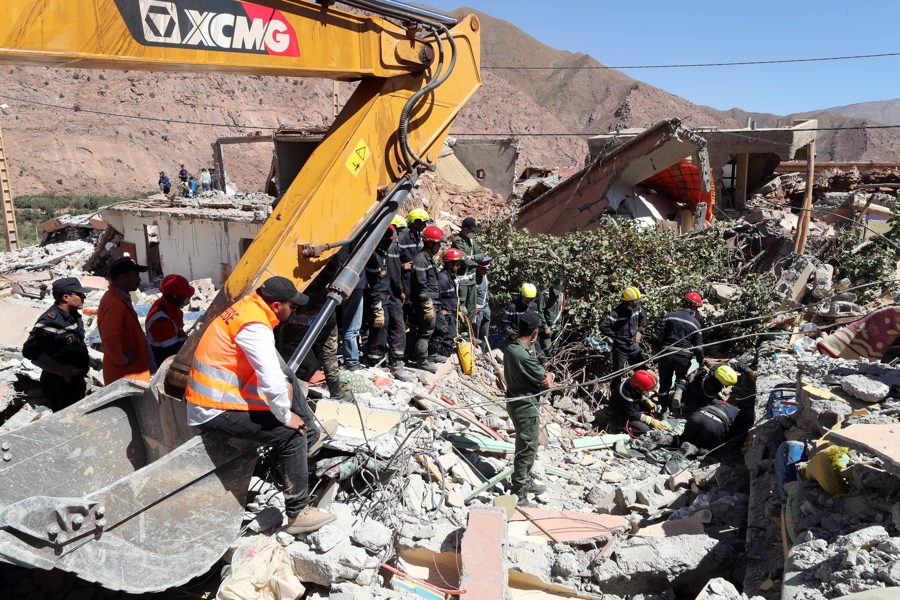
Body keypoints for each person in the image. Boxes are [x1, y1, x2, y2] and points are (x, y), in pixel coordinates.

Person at [184, 276, 336, 534]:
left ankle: (309, 438)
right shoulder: (255, 326)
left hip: (222, 394)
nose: (294, 310)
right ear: (277, 306)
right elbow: (268, 376)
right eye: (293, 306)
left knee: (287, 376)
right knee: (290, 434)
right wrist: (284, 415)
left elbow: (273, 374)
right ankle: (297, 513)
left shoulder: (248, 307)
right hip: (214, 406)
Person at [503, 311, 551, 503]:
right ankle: (519, 489)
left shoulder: (512, 348)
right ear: (535, 332)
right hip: (526, 406)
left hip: (516, 402)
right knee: (527, 448)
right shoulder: (524, 356)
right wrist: (549, 377)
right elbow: (542, 379)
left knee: (526, 445)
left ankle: (523, 478)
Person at [22, 277, 91, 411]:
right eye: (80, 294)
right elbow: (30, 350)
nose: (84, 297)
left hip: (75, 380)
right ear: (66, 297)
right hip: (60, 384)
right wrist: (58, 369)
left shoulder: (74, 316)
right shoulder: (50, 321)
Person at [363, 225, 415, 381]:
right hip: (380, 298)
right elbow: (375, 285)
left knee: (395, 326)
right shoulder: (374, 258)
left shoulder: (383, 254)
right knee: (379, 328)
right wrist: (377, 307)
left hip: (387, 296)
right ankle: (374, 360)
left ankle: (395, 361)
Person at [98, 256, 154, 384]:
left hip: (130, 373)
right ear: (123, 278)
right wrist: (121, 359)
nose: (139, 279)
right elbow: (109, 337)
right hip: (126, 375)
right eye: (136, 275)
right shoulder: (115, 304)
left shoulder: (116, 298)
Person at [651, 291, 704, 413]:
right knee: (681, 376)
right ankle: (679, 390)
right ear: (693, 307)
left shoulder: (669, 316)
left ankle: (663, 410)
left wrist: (655, 348)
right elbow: (699, 347)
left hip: (665, 353)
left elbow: (655, 336)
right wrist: (701, 362)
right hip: (682, 355)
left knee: (664, 383)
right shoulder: (695, 323)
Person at [409, 225, 443, 373]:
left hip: (433, 301)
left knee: (436, 329)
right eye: (438, 244)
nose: (440, 246)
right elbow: (421, 285)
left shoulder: (428, 258)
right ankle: (422, 361)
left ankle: (429, 356)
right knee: (426, 332)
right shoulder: (421, 260)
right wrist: (427, 305)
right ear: (430, 243)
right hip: (426, 303)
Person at [146, 274, 195, 367]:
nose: (188, 299)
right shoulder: (161, 319)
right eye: (184, 296)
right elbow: (174, 349)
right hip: (164, 359)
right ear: (173, 297)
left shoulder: (169, 306)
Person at [599, 286, 648, 377]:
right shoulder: (616, 313)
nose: (636, 305)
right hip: (620, 348)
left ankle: (641, 390)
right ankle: (616, 390)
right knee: (617, 374)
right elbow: (603, 327)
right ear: (626, 302)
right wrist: (614, 336)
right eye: (634, 302)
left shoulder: (637, 308)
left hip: (634, 346)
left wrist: (640, 331)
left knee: (642, 372)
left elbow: (643, 317)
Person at [607, 369, 669, 436]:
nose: (646, 391)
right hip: (620, 414)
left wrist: (646, 401)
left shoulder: (634, 383)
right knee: (645, 429)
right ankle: (620, 427)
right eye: (645, 390)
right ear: (638, 388)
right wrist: (651, 420)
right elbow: (632, 414)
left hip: (629, 407)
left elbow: (636, 395)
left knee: (654, 414)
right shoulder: (625, 394)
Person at [338, 244, 366, 372]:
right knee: (352, 327)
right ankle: (352, 361)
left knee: (348, 325)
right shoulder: (355, 243)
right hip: (353, 287)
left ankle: (349, 358)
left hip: (344, 285)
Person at [451, 216, 484, 324]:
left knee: (471, 309)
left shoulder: (471, 241)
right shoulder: (457, 241)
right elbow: (465, 261)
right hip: (462, 281)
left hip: (472, 281)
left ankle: (469, 333)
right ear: (466, 230)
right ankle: (459, 335)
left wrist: (472, 257)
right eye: (472, 231)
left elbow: (481, 255)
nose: (474, 234)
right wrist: (474, 262)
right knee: (461, 308)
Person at [680, 402, 746, 450]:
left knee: (684, 438)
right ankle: (695, 449)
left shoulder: (721, 403)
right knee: (708, 448)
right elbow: (737, 429)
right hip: (714, 423)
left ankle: (672, 440)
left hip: (698, 416)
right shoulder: (738, 412)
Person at [435, 248, 464, 358]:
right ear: (450, 264)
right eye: (457, 264)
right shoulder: (442, 279)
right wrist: (439, 312)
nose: (459, 266)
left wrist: (459, 310)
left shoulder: (451, 277)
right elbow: (435, 297)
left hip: (451, 313)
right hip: (445, 315)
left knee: (452, 336)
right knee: (447, 337)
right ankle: (442, 354)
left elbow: (452, 297)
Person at [500, 283, 539, 349]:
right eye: (526, 298)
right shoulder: (513, 307)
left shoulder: (534, 307)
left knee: (541, 356)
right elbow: (504, 324)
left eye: (530, 299)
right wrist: (512, 334)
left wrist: (535, 335)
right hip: (516, 338)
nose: (528, 300)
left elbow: (537, 323)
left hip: (530, 338)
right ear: (522, 295)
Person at [536, 276, 566, 355]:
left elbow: (564, 304)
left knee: (556, 349)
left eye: (561, 289)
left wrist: (578, 301)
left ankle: (554, 363)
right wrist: (545, 328)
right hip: (548, 327)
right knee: (547, 349)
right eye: (557, 288)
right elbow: (540, 312)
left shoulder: (561, 295)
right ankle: (547, 364)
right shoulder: (544, 295)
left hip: (558, 326)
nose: (559, 290)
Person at [474, 256, 492, 353]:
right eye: (484, 269)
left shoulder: (485, 276)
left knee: (485, 333)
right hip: (477, 310)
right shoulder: (473, 278)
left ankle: (484, 352)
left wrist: (487, 305)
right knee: (475, 333)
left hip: (485, 308)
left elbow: (485, 291)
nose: (486, 271)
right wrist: (473, 307)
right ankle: (476, 352)